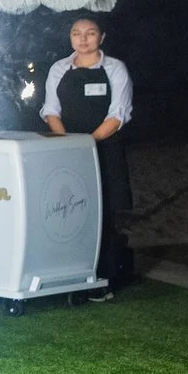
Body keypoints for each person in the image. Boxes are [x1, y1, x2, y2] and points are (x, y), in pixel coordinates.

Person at [41, 15, 135, 292]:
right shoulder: (59, 68)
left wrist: (88, 143)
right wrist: (67, 144)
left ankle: (104, 280)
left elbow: (118, 115)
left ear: (101, 37)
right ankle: (69, 276)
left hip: (104, 149)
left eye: (90, 33)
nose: (83, 39)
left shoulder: (116, 69)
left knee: (103, 214)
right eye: (76, 33)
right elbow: (50, 110)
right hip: (66, 149)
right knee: (67, 210)